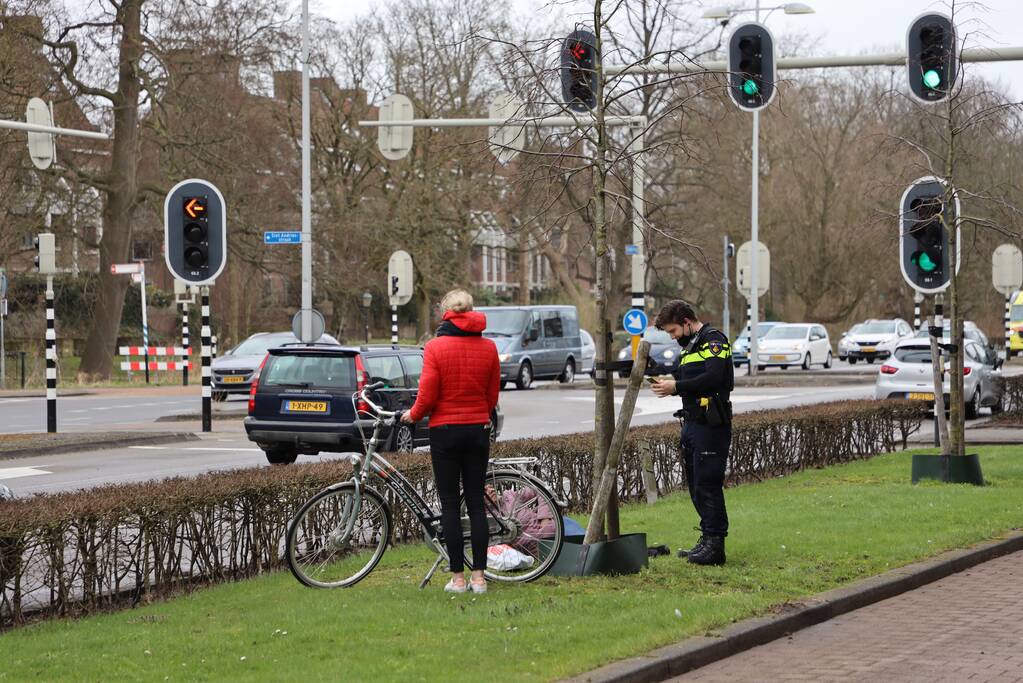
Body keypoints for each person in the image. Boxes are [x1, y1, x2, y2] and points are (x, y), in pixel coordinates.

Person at [401, 289, 500, 593]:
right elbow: (492, 394)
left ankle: (458, 578)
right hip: (477, 429)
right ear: (471, 311)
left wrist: (413, 415)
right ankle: (480, 578)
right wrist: (480, 413)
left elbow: (427, 394)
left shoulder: (435, 348)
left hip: (444, 431)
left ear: (446, 312)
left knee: (449, 505)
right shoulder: (489, 347)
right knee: (476, 503)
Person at [650, 299, 734, 565]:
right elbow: (683, 377)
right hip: (692, 424)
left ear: (686, 322)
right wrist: (663, 378)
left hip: (711, 424)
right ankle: (707, 539)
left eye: (674, 331)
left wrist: (676, 387)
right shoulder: (690, 348)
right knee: (697, 485)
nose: (673, 338)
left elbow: (713, 377)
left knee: (708, 483)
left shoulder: (714, 341)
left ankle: (716, 546)